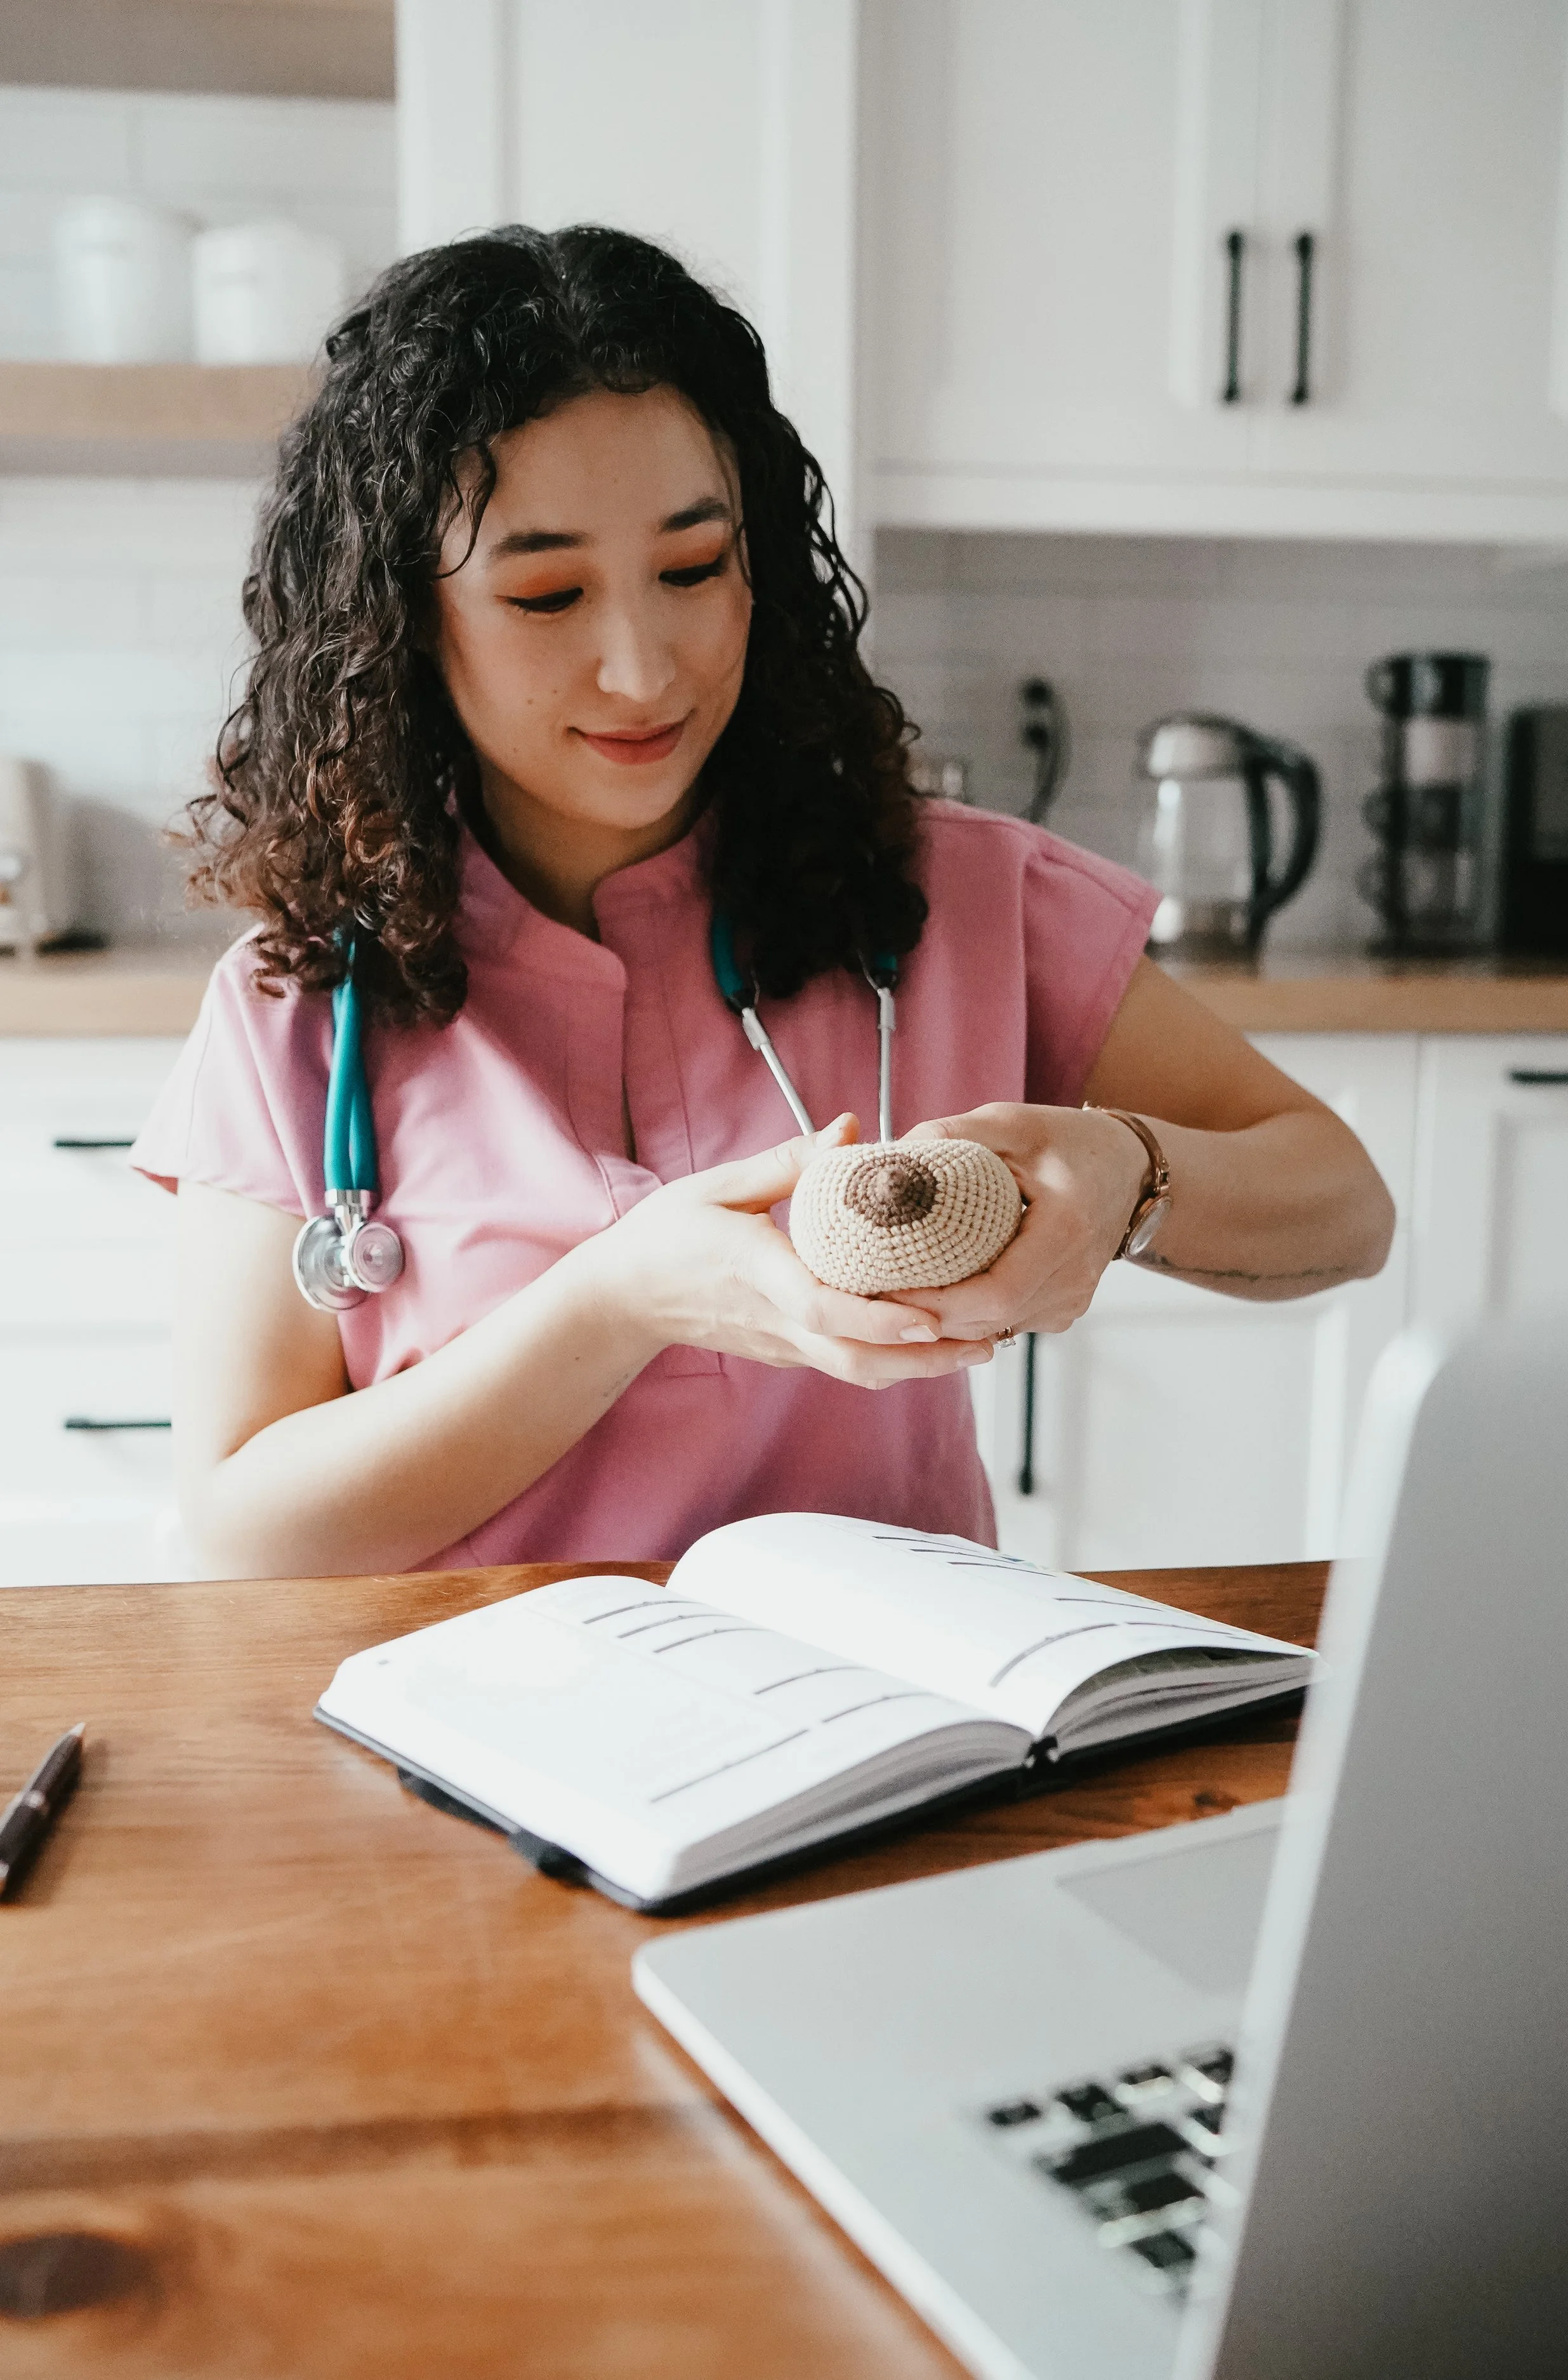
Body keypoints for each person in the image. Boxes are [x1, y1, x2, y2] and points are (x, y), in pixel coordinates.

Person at [131, 226, 1394, 1581]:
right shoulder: (302, 1001)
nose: (641, 670)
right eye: (546, 594)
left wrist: (1131, 1182)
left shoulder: (948, 896)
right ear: (401, 627)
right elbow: (245, 1532)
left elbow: (1340, 1205)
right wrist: (618, 1303)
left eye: (691, 568)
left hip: (889, 1743)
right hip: (463, 1744)